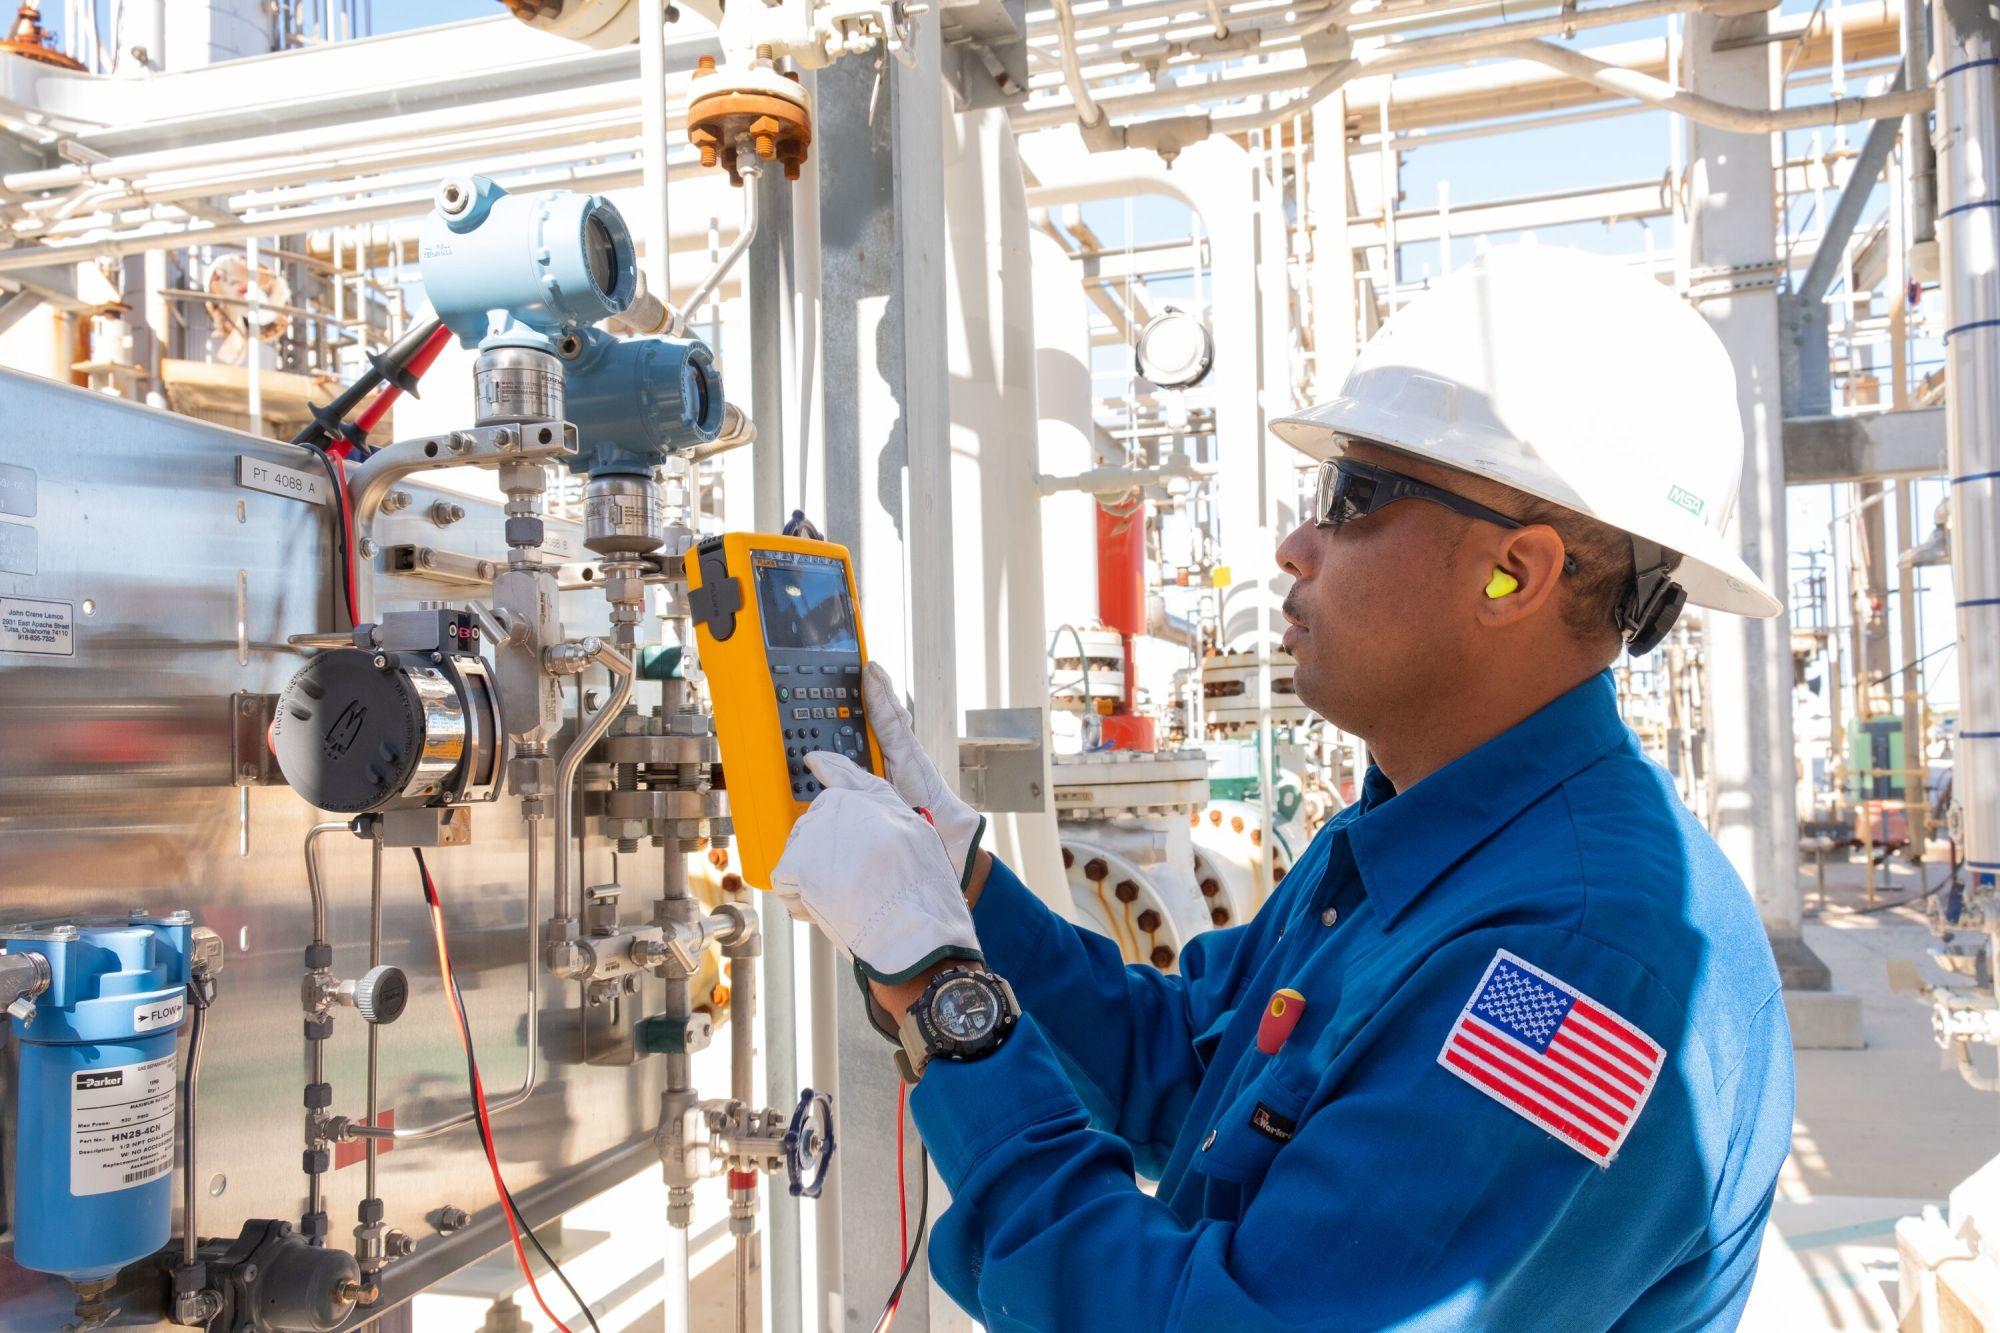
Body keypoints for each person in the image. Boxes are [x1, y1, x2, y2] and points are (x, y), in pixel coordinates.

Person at [772, 245, 1797, 1331]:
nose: (1292, 544)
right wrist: (959, 878)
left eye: (1351, 496)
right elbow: (1182, 1066)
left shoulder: (1572, 968)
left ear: (1517, 574)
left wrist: (942, 997)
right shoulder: (1416, 833)